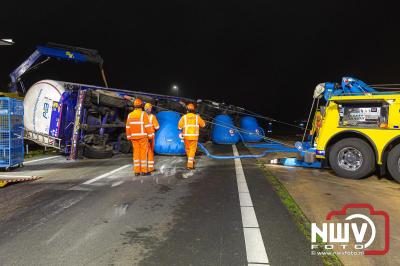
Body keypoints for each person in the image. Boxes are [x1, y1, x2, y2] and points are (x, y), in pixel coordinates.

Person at [126, 98, 153, 176]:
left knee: (136, 154)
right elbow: (147, 126)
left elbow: (128, 127)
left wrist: (128, 136)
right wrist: (150, 137)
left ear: (134, 106)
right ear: (141, 106)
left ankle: (137, 171)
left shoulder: (130, 115)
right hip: (142, 137)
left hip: (133, 138)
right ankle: (144, 171)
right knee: (143, 154)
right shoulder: (143, 114)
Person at [178, 103, 206, 170]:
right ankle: (190, 165)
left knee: (188, 149)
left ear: (187, 110)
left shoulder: (183, 117)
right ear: (193, 110)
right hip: (194, 137)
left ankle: (191, 161)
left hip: (186, 137)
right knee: (192, 150)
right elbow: (204, 125)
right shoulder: (197, 117)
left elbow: (179, 127)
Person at [144, 103, 160, 172]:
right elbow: (157, 127)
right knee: (150, 151)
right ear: (149, 109)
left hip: (143, 136)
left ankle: (143, 168)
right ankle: (150, 168)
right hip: (151, 136)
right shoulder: (152, 117)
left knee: (143, 152)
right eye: (150, 108)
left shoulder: (141, 116)